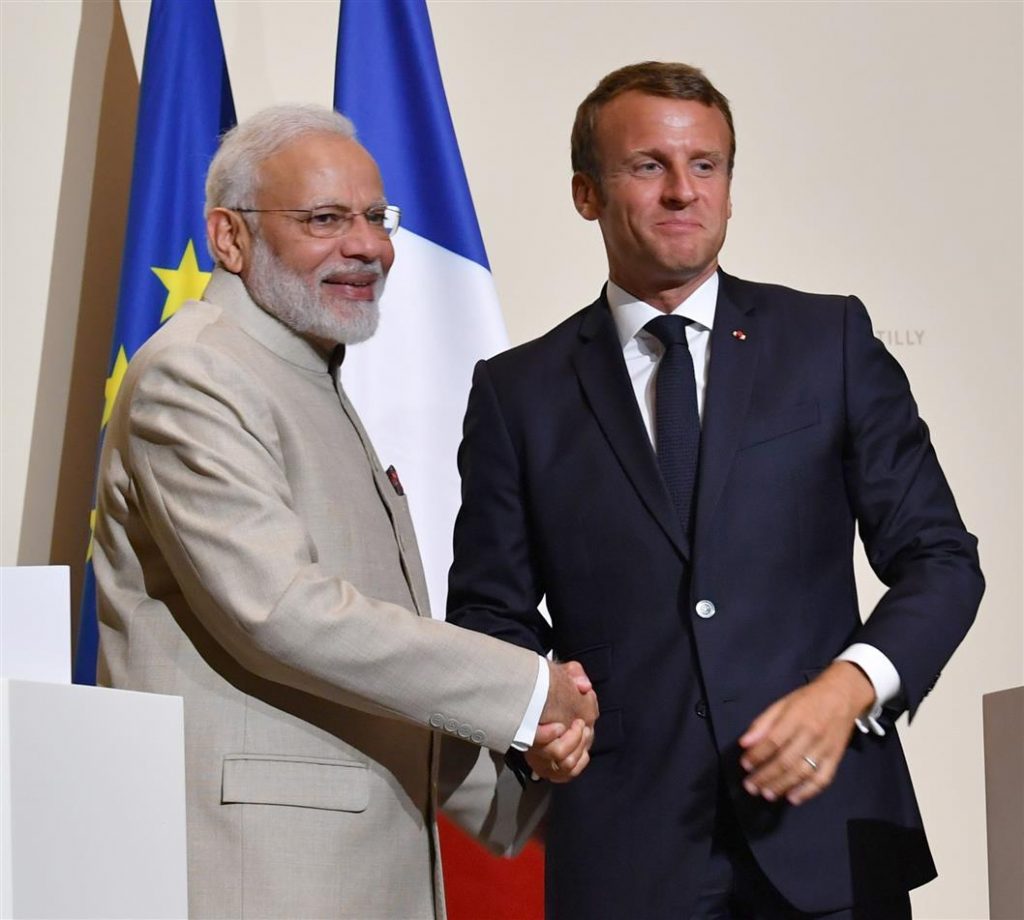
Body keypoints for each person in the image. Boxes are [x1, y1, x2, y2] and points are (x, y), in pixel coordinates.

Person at [447, 62, 983, 919]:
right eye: (648, 166)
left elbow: (942, 559)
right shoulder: (520, 392)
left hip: (830, 837)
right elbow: (488, 610)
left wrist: (849, 689)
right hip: (626, 855)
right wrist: (539, 716)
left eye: (707, 165)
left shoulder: (828, 341)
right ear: (587, 193)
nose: (682, 192)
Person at [92, 104, 596, 920]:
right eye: (325, 219)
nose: (367, 245)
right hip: (262, 877)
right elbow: (286, 614)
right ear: (229, 239)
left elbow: (366, 668)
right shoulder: (198, 376)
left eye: (374, 216)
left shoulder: (304, 369)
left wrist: (519, 806)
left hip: (358, 868)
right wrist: (528, 690)